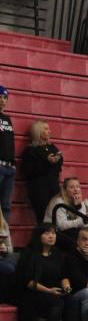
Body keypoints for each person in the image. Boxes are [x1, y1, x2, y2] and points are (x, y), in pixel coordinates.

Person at [14, 223, 71, 321]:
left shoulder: (57, 253)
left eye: (53, 233)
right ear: (38, 236)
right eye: (47, 233)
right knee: (56, 302)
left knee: (71, 299)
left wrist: (66, 285)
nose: (51, 236)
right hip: (32, 292)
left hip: (54, 291)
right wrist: (49, 290)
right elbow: (27, 281)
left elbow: (63, 275)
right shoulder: (29, 254)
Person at [20, 120, 63, 223]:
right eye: (46, 129)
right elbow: (29, 171)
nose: (49, 131)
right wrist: (47, 162)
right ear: (38, 131)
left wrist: (57, 160)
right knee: (43, 218)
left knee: (57, 216)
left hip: (53, 187)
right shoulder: (30, 151)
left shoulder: (53, 148)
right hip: (39, 189)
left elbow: (58, 168)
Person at [0, 86, 14, 221]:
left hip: (9, 166)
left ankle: (3, 231)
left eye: (4, 97)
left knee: (6, 205)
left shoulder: (7, 119)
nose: (2, 100)